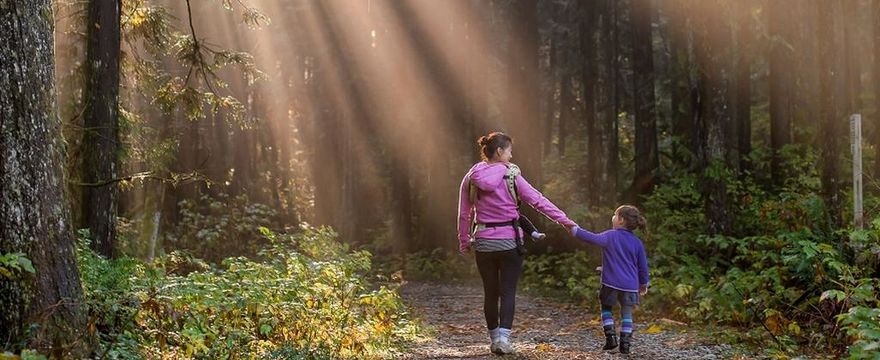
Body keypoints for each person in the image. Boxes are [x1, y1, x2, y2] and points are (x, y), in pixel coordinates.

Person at [457, 131, 576, 354]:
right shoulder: (511, 175)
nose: (511, 156)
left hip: (483, 242)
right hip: (510, 243)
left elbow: (464, 213)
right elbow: (538, 201)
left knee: (490, 292)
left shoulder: (471, 176)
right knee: (508, 291)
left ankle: (494, 340)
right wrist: (566, 222)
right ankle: (504, 340)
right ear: (500, 151)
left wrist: (464, 240)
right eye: (509, 150)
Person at [569, 205, 649, 354]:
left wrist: (575, 230)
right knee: (627, 313)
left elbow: (591, 238)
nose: (612, 217)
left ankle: (611, 338)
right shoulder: (637, 243)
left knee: (606, 308)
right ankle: (625, 344)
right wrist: (643, 284)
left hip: (611, 283)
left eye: (615, 214)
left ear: (621, 220)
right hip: (630, 286)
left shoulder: (610, 236)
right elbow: (643, 267)